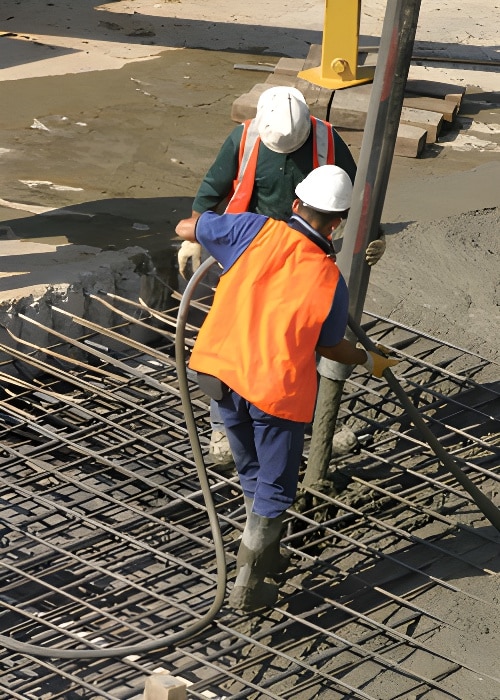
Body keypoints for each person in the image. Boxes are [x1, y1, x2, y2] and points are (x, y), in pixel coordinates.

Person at [175, 165, 398, 612]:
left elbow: (189, 224)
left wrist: (200, 238)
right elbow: (331, 346)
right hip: (274, 391)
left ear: (295, 205)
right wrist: (368, 359)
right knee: (276, 485)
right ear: (337, 222)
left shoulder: (252, 228)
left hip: (218, 373)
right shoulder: (329, 279)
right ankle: (248, 583)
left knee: (250, 468)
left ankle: (265, 551)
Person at [177, 86, 386, 465]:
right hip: (253, 247)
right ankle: (221, 428)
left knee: (300, 338)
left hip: (304, 255)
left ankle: (312, 423)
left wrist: (376, 234)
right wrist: (197, 234)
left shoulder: (326, 139)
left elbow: (352, 194)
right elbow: (213, 188)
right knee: (236, 336)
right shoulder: (245, 137)